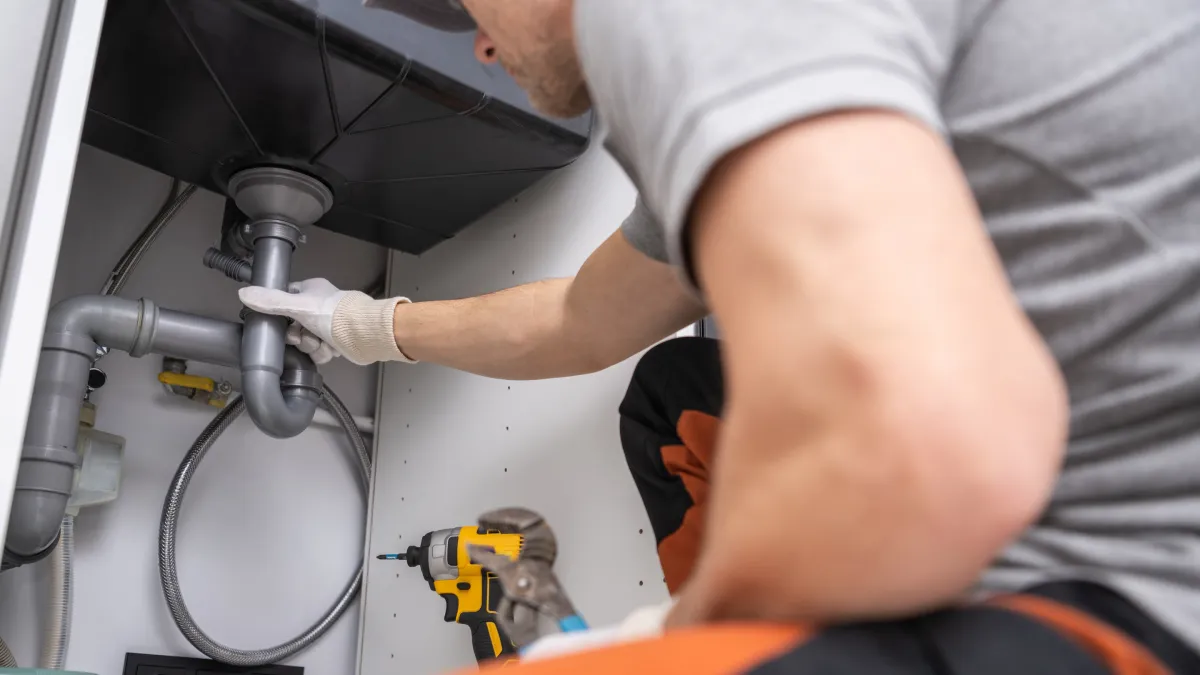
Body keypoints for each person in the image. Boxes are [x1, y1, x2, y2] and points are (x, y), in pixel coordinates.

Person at [240, 0, 1200, 672]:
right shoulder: (762, 56)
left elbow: (924, 441)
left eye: (463, 3)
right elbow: (581, 317)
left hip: (1136, 602)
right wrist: (357, 325)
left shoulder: (669, 11)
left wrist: (674, 635)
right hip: (1077, 525)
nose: (479, 48)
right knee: (674, 393)